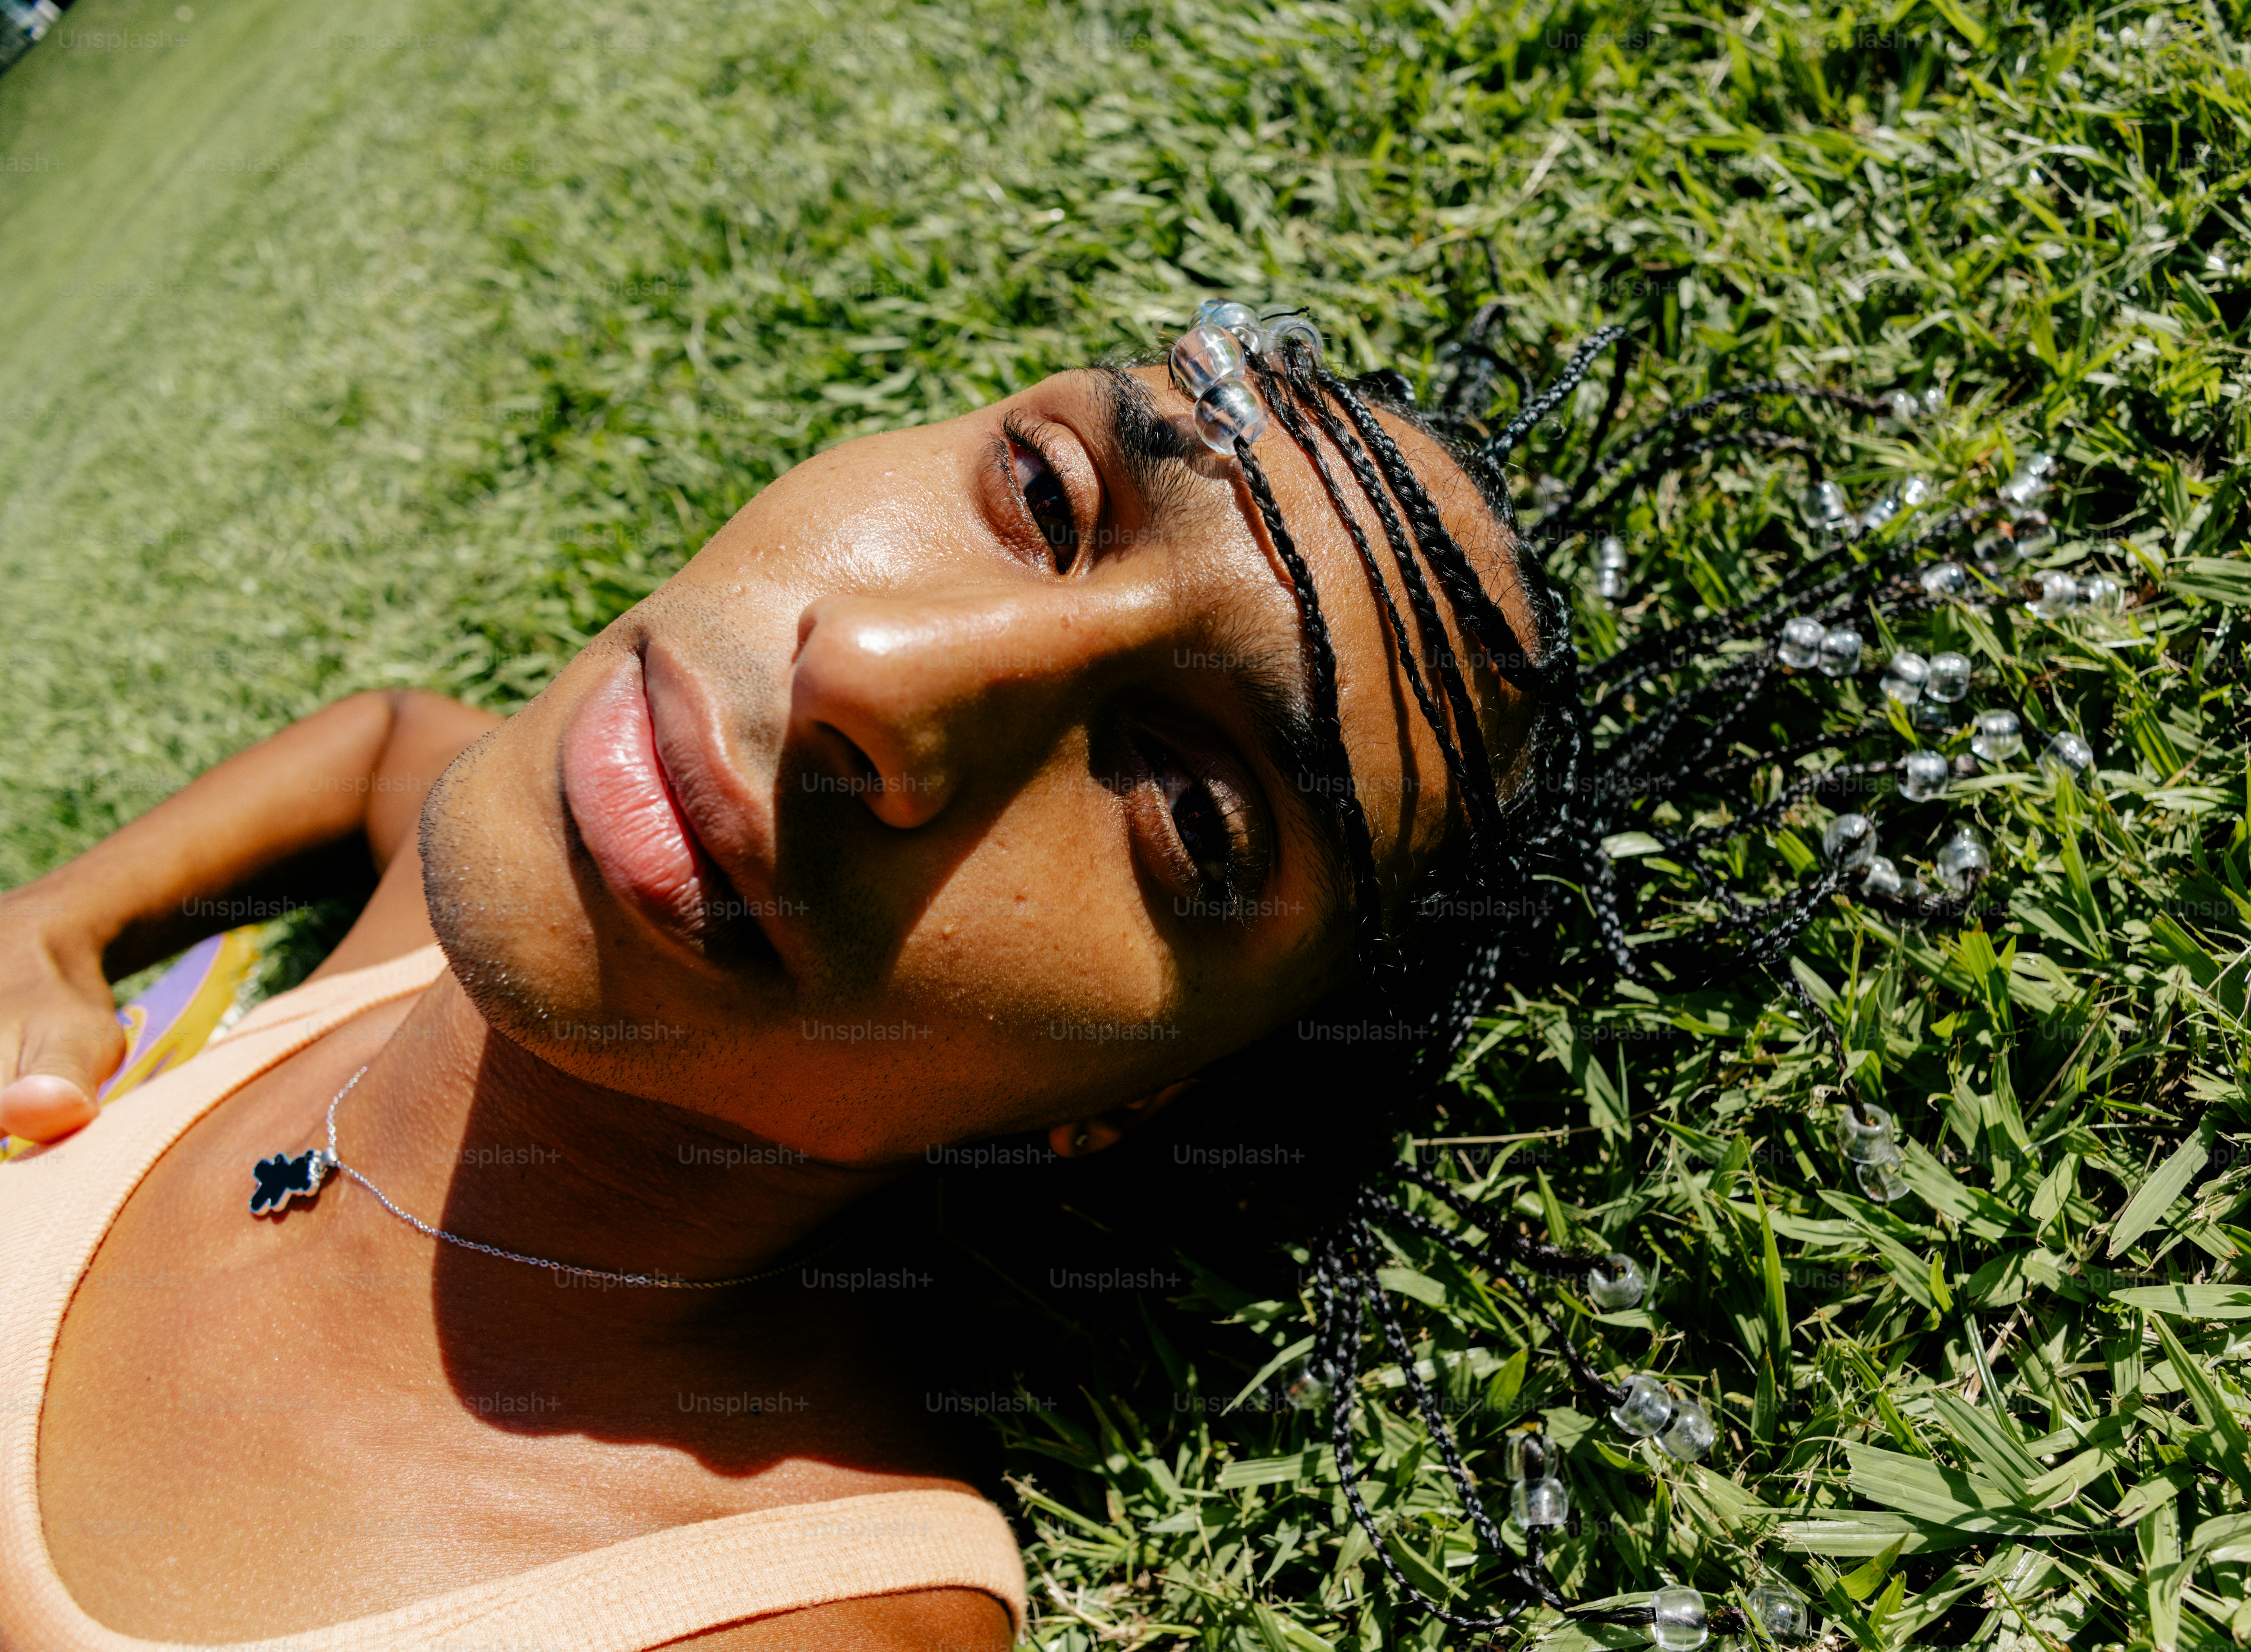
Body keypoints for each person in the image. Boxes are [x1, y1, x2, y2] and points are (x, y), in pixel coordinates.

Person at [0, 314, 1578, 1650]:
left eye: (1189, 814)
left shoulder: (772, 1612)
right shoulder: (428, 950)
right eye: (1045, 492)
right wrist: (53, 924)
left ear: (1142, 1091)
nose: (874, 670)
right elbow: (388, 742)